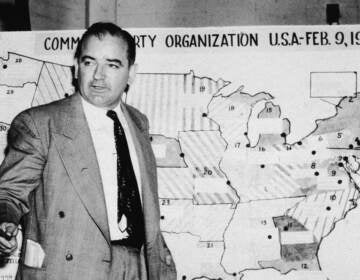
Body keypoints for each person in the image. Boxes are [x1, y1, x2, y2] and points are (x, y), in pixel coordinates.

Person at [0, 22, 176, 279]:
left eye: (112, 65)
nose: (98, 76)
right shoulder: (39, 124)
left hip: (138, 267)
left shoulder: (139, 123)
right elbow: (9, 194)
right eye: (89, 62)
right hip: (70, 269)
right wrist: (4, 222)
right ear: (76, 67)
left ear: (131, 73)